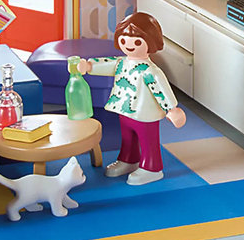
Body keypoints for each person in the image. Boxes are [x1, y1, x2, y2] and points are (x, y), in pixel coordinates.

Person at [76, 12, 186, 185]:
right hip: (124, 108)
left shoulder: (150, 70)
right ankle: (128, 160)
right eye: (124, 40)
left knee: (148, 141)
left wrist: (171, 108)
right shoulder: (121, 62)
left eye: (137, 42)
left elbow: (161, 89)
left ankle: (152, 168)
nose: (129, 45)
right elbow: (106, 64)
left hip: (145, 113)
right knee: (128, 138)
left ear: (150, 42)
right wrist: (89, 66)